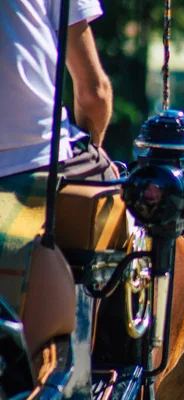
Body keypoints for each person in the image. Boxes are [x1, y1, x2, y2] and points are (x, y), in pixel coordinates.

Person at [0, 0, 115, 378]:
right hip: (29, 161)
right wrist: (96, 150)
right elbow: (93, 93)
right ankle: (89, 369)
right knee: (112, 194)